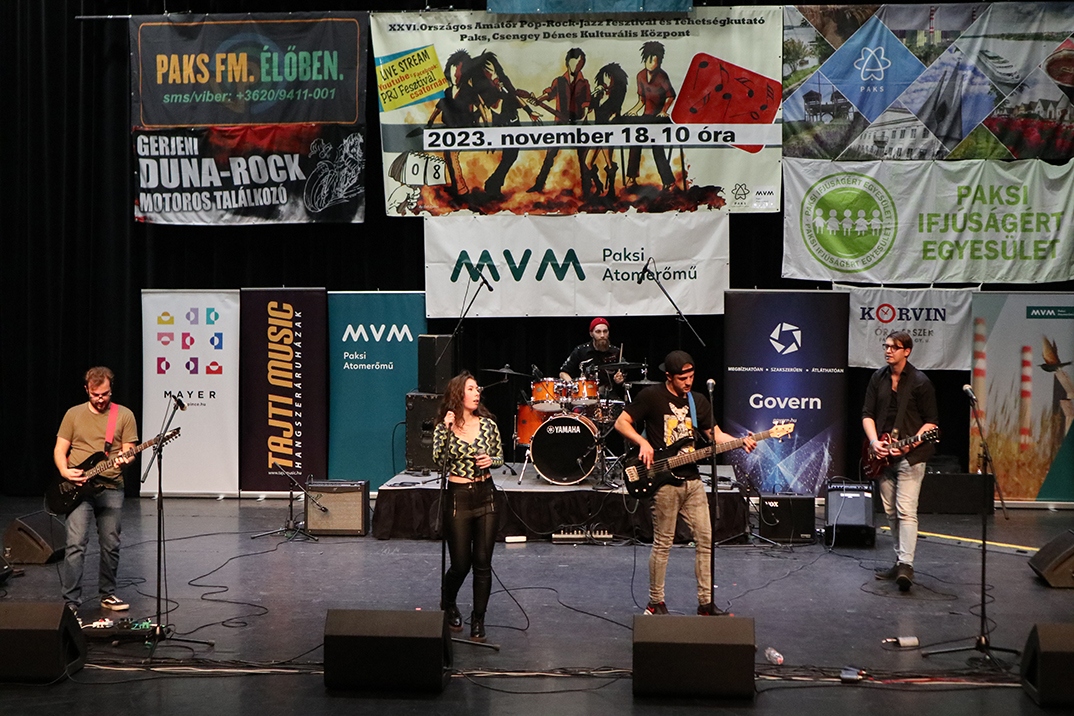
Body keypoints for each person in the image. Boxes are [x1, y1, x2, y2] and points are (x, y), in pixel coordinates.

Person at [615, 351, 755, 615]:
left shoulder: (698, 400)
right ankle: (656, 602)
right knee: (663, 543)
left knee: (706, 539)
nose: (688, 382)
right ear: (669, 377)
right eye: (683, 378)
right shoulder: (651, 397)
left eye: (691, 376)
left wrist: (741, 441)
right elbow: (621, 422)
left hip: (692, 481)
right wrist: (643, 442)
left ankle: (705, 604)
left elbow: (715, 435)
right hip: (664, 482)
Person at [53, 366, 137, 615]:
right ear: (87, 390)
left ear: (111, 390)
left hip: (111, 487)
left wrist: (126, 460)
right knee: (76, 543)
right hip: (79, 487)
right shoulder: (73, 414)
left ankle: (107, 594)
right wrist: (65, 471)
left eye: (105, 394)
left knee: (111, 544)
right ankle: (71, 600)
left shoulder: (124, 415)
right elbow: (60, 449)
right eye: (95, 395)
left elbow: (129, 450)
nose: (100, 400)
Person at [862, 330, 939, 592]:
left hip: (911, 458)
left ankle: (907, 564)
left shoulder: (920, 382)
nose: (888, 351)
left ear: (906, 351)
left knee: (906, 510)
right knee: (891, 512)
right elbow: (867, 414)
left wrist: (910, 445)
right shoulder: (878, 378)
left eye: (893, 347)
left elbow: (931, 423)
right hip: (882, 458)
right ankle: (899, 560)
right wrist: (874, 442)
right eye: (886, 346)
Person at [433, 372, 504, 642]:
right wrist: (447, 429)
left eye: (477, 389)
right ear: (458, 394)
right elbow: (437, 459)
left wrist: (491, 461)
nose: (477, 393)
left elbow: (500, 457)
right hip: (459, 497)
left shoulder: (488, 425)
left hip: (486, 495)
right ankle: (448, 601)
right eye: (471, 389)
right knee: (461, 564)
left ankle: (478, 618)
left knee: (483, 563)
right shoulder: (445, 427)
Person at [527, 47, 591, 195]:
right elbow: (550, 93)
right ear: (568, 62)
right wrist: (538, 100)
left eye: (580, 63)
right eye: (574, 62)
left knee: (582, 158)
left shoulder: (584, 83)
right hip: (560, 124)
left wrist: (583, 119)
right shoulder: (559, 81)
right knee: (550, 155)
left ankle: (586, 189)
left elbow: (586, 103)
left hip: (579, 124)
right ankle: (539, 185)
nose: (576, 66)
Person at [624, 41, 677, 191]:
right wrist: (634, 110)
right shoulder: (640, 75)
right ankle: (631, 177)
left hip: (659, 118)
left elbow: (671, 96)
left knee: (657, 148)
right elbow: (641, 100)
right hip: (646, 116)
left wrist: (664, 110)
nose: (652, 64)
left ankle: (668, 181)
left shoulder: (662, 76)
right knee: (635, 142)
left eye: (656, 61)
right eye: (650, 60)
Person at [559, 317, 626, 400]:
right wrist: (574, 386)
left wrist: (620, 380)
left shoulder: (616, 352)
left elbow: (623, 376)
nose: (602, 335)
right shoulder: (581, 351)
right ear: (591, 334)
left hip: (610, 397)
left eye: (605, 331)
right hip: (586, 396)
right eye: (598, 332)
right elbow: (563, 373)